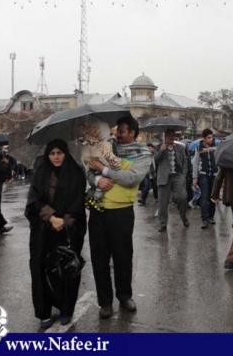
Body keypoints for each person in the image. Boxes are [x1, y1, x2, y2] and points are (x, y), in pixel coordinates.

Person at [86, 116, 152, 319]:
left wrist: (102, 169)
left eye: (121, 131)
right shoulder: (105, 147)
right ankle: (105, 302)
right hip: (98, 210)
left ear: (133, 133)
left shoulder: (143, 155)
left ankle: (124, 296)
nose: (117, 135)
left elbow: (131, 178)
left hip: (122, 212)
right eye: (116, 131)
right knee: (99, 259)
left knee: (123, 257)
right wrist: (97, 179)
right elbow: (88, 171)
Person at [25, 139, 87, 328]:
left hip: (68, 231)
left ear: (66, 153)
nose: (56, 157)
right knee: (40, 268)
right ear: (47, 155)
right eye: (52, 153)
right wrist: (51, 217)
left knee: (67, 268)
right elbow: (33, 202)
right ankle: (44, 313)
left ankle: (66, 309)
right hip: (43, 231)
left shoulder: (76, 174)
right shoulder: (41, 173)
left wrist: (64, 221)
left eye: (60, 152)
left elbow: (78, 203)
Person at [155, 129, 190, 233]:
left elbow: (185, 162)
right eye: (169, 135)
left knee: (182, 197)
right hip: (164, 177)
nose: (171, 137)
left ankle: (183, 217)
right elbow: (156, 160)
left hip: (177, 176)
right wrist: (161, 150)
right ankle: (163, 224)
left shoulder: (180, 147)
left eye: (173, 135)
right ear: (165, 137)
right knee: (162, 203)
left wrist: (183, 175)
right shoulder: (159, 147)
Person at [192, 128, 218, 229]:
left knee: (213, 197)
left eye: (212, 137)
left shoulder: (216, 146)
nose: (211, 139)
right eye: (209, 138)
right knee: (204, 197)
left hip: (214, 174)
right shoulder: (199, 148)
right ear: (204, 138)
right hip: (203, 174)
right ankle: (204, 219)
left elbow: (218, 160)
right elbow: (196, 163)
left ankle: (211, 216)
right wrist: (195, 178)